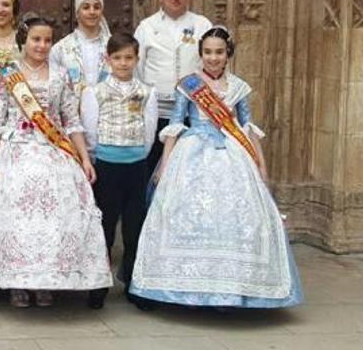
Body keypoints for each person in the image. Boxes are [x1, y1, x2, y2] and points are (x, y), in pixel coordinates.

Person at [129, 26, 303, 309]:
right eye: (208, 52)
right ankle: (184, 286)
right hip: (193, 151)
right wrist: (165, 165)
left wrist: (262, 165)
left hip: (233, 155)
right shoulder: (189, 85)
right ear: (200, 54)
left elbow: (247, 127)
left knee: (236, 218)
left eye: (219, 52)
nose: (213, 58)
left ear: (228, 54)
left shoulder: (238, 87)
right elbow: (175, 125)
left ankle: (234, 288)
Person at [0, 13, 113, 309]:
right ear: (23, 41)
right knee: (17, 219)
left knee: (56, 218)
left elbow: (72, 119)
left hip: (54, 152)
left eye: (47, 40)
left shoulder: (61, 73)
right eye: (36, 39)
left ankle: (46, 281)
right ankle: (17, 283)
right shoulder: (8, 74)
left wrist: (83, 157)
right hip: (16, 152)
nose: (42, 45)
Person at [80, 33, 158, 310]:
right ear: (107, 59)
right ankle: (99, 284)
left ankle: (133, 282)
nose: (123, 63)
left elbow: (149, 130)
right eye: (117, 58)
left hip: (136, 165)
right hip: (107, 165)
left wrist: (140, 154)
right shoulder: (95, 91)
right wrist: (96, 156)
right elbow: (90, 128)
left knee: (134, 226)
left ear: (137, 60)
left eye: (128, 58)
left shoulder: (147, 92)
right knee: (105, 225)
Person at [134, 0, 212, 175]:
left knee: (189, 169)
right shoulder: (147, 27)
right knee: (153, 168)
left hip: (192, 111)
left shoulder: (202, 25)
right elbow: (137, 69)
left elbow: (212, 64)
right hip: (156, 110)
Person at [50, 0, 112, 98]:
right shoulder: (61, 48)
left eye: (96, 7)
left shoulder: (113, 46)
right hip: (72, 111)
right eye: (86, 7)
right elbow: (53, 85)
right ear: (77, 13)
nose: (92, 12)